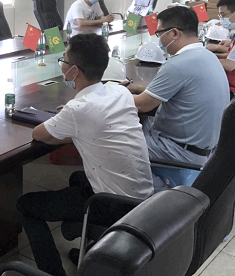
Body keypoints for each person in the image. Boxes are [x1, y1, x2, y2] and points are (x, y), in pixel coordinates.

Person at [17, 34, 153, 276]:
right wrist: (74, 123)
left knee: (26, 205)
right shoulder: (119, 92)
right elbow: (97, 122)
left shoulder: (79, 109)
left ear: (74, 71)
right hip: (143, 198)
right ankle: (87, 245)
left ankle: (51, 272)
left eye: (64, 61)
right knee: (77, 179)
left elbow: (40, 134)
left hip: (114, 205)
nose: (62, 65)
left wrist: (71, 121)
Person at [125, 7, 229, 167]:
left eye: (160, 33)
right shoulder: (208, 56)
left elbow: (141, 105)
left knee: (112, 141)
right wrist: (137, 88)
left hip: (177, 151)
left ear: (174, 33)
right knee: (141, 122)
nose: (159, 39)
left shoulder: (177, 64)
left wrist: (113, 92)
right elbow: (180, 92)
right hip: (204, 149)